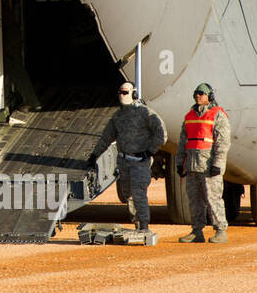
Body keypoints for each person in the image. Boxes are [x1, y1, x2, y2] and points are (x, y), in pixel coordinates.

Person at [91, 80, 166, 231]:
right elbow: (106, 138)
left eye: (125, 92)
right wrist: (94, 156)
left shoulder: (145, 113)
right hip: (124, 162)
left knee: (139, 194)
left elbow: (161, 134)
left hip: (140, 161)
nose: (121, 95)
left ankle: (144, 226)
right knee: (128, 195)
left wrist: (150, 151)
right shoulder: (118, 116)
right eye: (120, 92)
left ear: (134, 94)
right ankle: (137, 223)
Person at [176, 82, 230, 244]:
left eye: (202, 93)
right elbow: (182, 142)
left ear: (210, 96)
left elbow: (223, 142)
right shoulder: (189, 116)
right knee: (195, 200)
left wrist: (218, 164)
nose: (198, 96)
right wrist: (180, 163)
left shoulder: (217, 115)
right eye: (196, 93)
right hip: (192, 165)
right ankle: (197, 231)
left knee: (213, 199)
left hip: (209, 166)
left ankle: (221, 231)